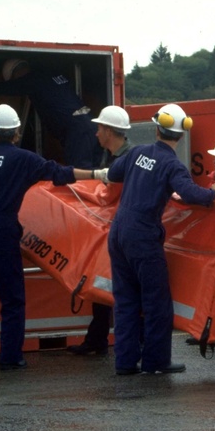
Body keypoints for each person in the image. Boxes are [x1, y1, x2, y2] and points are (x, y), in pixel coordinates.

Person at [0, 104, 96, 369]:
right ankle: (10, 357)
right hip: (0, 230)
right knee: (12, 297)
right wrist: (98, 174)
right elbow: (60, 174)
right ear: (16, 131)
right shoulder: (24, 159)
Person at [95, 103, 215, 376]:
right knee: (156, 302)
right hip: (143, 236)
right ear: (181, 134)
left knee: (126, 300)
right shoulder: (172, 164)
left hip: (118, 233)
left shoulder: (137, 152)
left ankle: (125, 363)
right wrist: (214, 193)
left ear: (157, 128)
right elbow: (189, 193)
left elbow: (114, 174)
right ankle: (156, 361)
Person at [67, 105, 133, 357]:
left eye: (99, 129)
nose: (95, 134)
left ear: (109, 131)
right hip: (111, 232)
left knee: (121, 289)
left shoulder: (125, 160)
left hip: (121, 234)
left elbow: (110, 196)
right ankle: (97, 339)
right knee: (103, 285)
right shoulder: (116, 157)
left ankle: (126, 344)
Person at [0, 59, 103, 168]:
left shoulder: (31, 80)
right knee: (95, 170)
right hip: (92, 125)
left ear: (14, 75)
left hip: (77, 132)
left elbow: (1, 89)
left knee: (81, 175)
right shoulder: (50, 75)